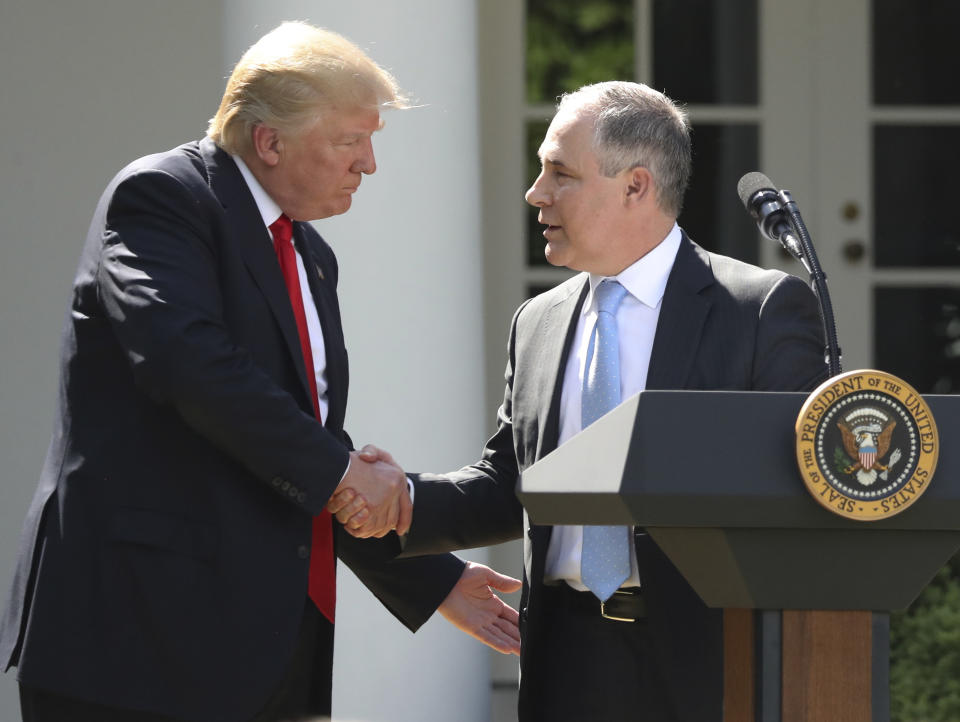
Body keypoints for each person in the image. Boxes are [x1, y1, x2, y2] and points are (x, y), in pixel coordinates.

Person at [0, 21, 520, 722]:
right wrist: (347, 476)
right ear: (269, 141)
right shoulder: (162, 197)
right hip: (135, 644)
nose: (368, 164)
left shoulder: (310, 254)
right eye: (348, 141)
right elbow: (189, 364)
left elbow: (291, 443)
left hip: (264, 649)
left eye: (372, 141)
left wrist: (431, 578)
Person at [334, 81, 830, 721]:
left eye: (559, 174)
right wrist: (402, 499)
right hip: (564, 659)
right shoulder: (537, 322)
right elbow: (511, 483)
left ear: (636, 186)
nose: (535, 193)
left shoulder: (760, 310)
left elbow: (791, 495)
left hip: (710, 661)